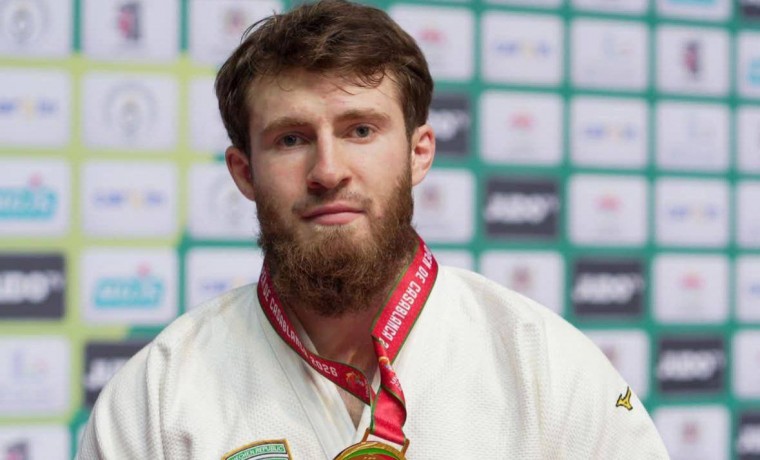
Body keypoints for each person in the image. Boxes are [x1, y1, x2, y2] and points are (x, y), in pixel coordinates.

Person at [77, 1, 669, 458]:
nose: (328, 170)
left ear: (418, 152)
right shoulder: (157, 397)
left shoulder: (545, 366)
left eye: (360, 130)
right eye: (291, 139)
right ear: (244, 172)